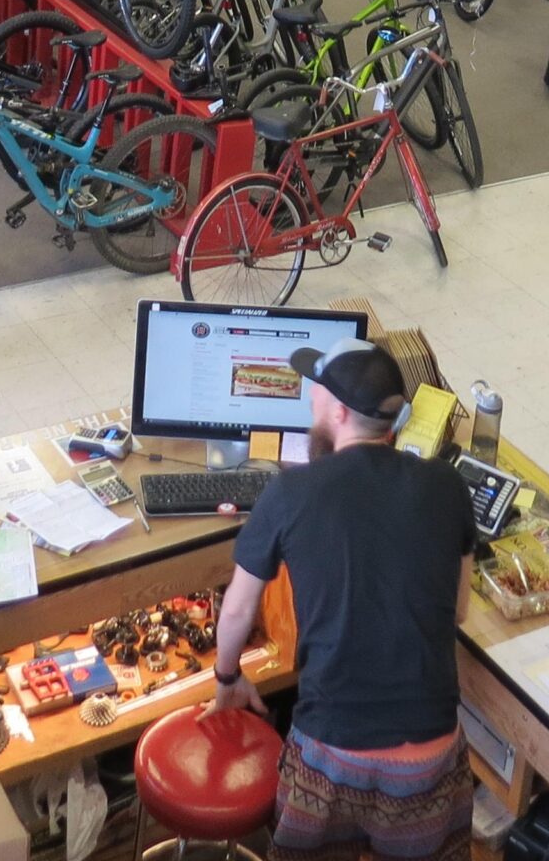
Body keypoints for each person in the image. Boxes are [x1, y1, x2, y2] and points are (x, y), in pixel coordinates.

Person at [206, 338, 477, 861]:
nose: (309, 401)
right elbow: (459, 610)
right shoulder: (447, 485)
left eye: (315, 391)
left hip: (330, 752)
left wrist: (227, 677)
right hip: (426, 755)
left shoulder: (290, 492)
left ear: (337, 410)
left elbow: (238, 610)